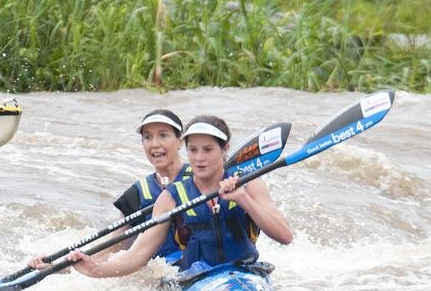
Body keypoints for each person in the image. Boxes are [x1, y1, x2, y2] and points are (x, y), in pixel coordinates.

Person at [64, 114, 293, 278]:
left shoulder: (249, 182)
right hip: (197, 280)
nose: (199, 158)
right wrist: (95, 269)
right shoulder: (171, 198)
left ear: (225, 149)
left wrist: (243, 199)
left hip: (248, 274)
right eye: (193, 150)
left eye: (208, 149)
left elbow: (284, 236)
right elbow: (140, 255)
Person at [28, 109, 190, 270]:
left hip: (200, 264)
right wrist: (57, 267)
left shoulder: (201, 178)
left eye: (163, 135)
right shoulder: (136, 195)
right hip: (165, 273)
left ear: (179, 141)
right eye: (147, 137)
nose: (154, 144)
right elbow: (111, 248)